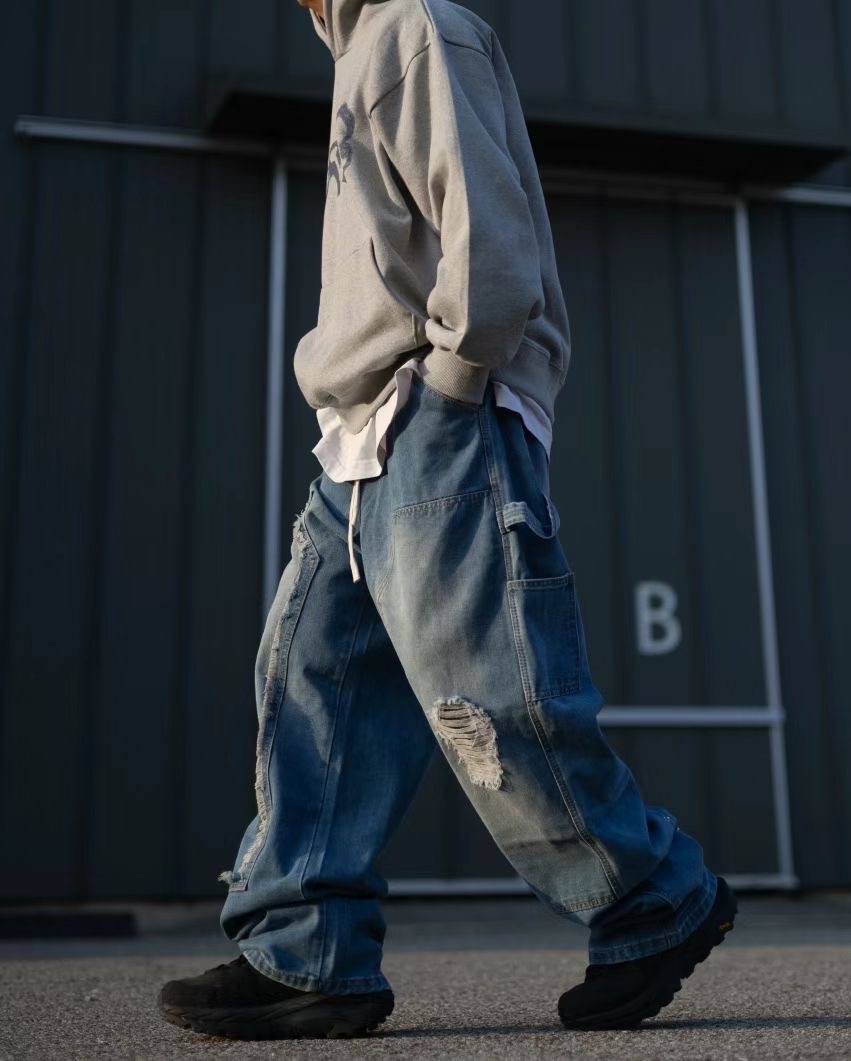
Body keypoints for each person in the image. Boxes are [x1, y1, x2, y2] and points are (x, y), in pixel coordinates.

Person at [158, 0, 737, 1040]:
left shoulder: (415, 25)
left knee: (491, 694)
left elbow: (486, 233)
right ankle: (307, 952)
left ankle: (653, 894)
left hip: (435, 417)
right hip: (355, 440)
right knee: (314, 693)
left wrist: (451, 381)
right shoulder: (358, 52)